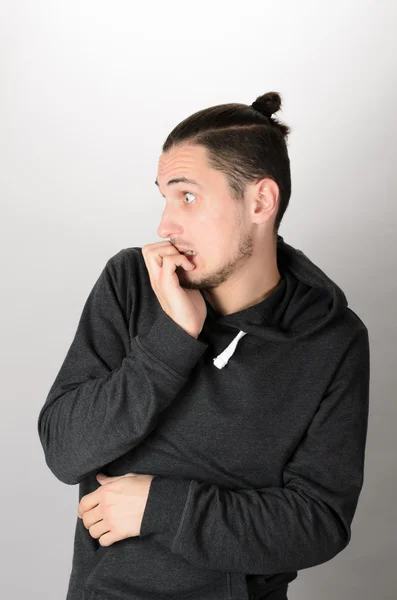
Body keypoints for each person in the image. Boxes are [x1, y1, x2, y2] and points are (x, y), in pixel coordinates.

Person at [37, 91, 370, 600]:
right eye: (164, 197)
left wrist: (162, 508)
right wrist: (171, 340)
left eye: (187, 196)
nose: (165, 225)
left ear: (260, 201)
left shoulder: (332, 339)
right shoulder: (132, 282)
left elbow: (319, 522)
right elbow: (65, 451)